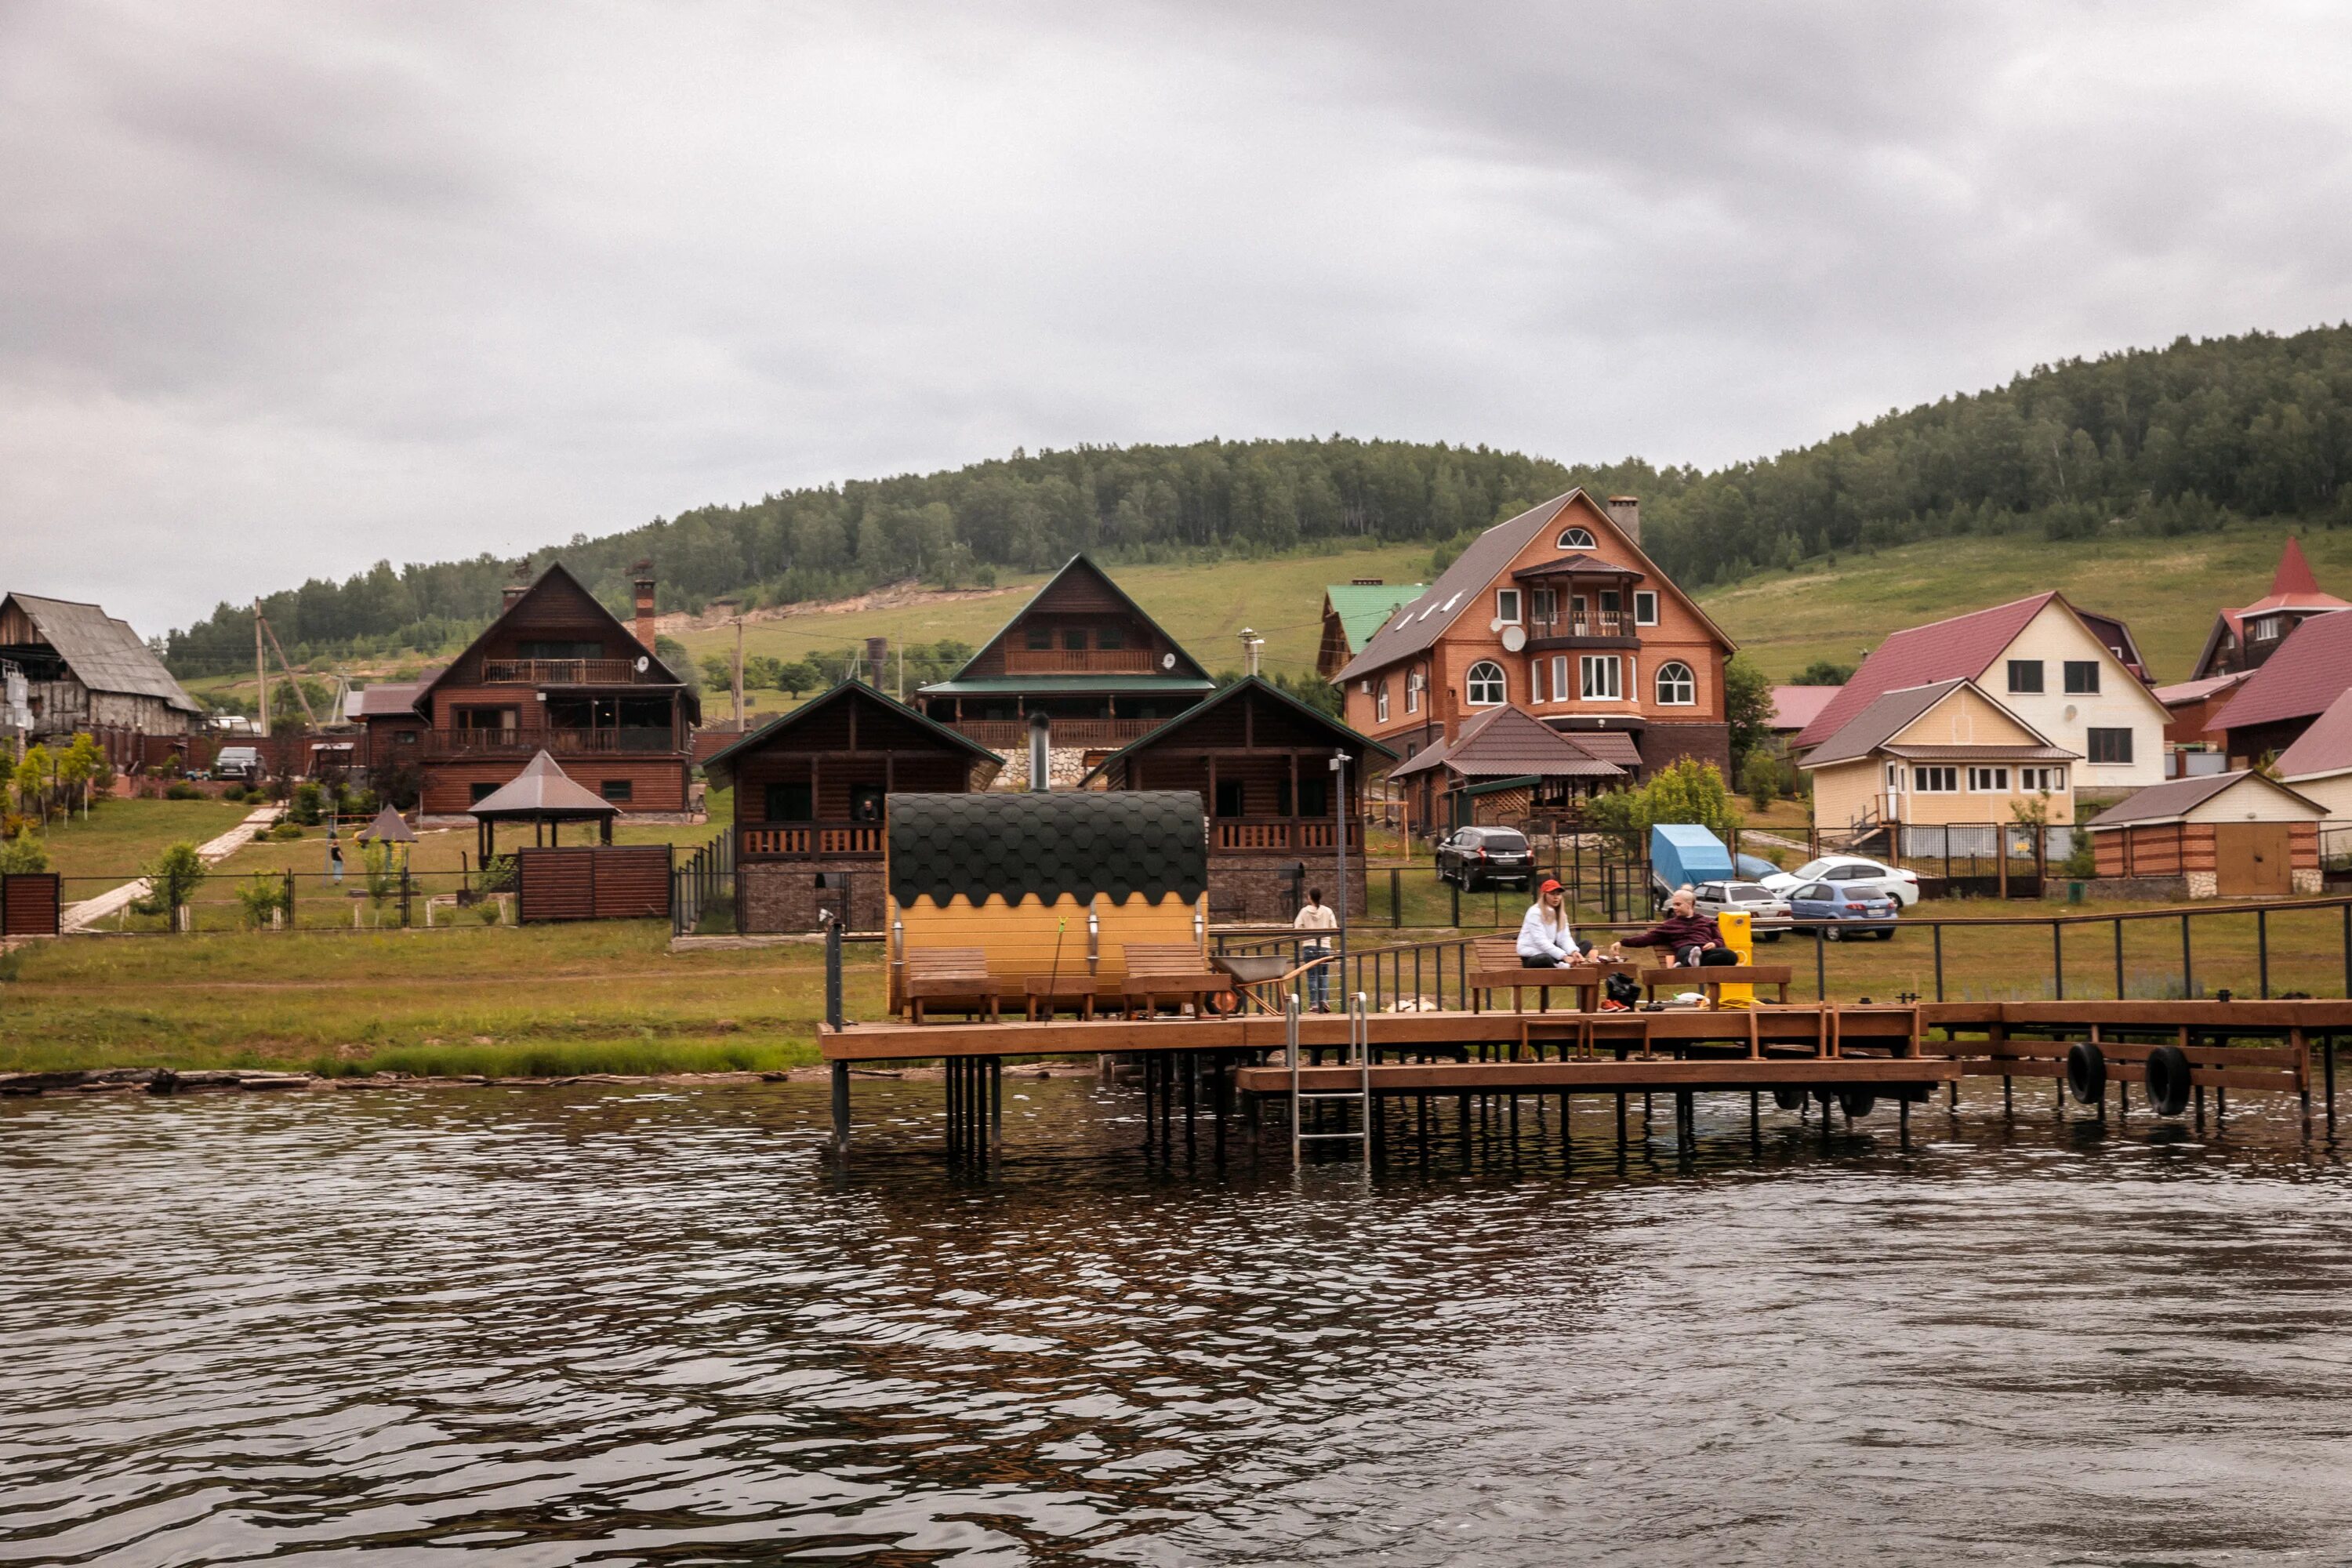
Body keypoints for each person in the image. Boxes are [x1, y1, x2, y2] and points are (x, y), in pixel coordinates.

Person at [1613, 885, 1735, 967]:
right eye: (1673, 904)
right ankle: (1690, 960)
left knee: (1730, 955)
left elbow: (1720, 940)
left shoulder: (1707, 922)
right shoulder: (1670, 925)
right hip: (1685, 950)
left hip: (1705, 952)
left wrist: (1714, 944)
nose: (1674, 908)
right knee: (1687, 951)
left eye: (1678, 904)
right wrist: (1622, 942)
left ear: (1689, 904)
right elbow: (1646, 939)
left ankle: (1694, 961)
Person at [1516, 878, 1595, 967]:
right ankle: (1564, 965)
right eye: (1552, 894)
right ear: (1544, 895)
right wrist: (1564, 956)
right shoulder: (1534, 912)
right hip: (1533, 955)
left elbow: (1564, 938)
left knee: (1586, 944)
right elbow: (1541, 941)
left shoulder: (1561, 914)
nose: (1556, 897)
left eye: (1558, 894)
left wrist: (1573, 952)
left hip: (1553, 953)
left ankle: (1566, 963)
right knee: (1545, 959)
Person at [1294, 887, 1338, 1013]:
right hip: (1324, 946)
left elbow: (1297, 927)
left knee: (1312, 976)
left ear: (1309, 897)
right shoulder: (1328, 911)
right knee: (1324, 975)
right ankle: (1324, 1000)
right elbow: (1334, 928)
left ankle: (1314, 1003)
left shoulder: (1304, 912)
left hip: (1309, 946)